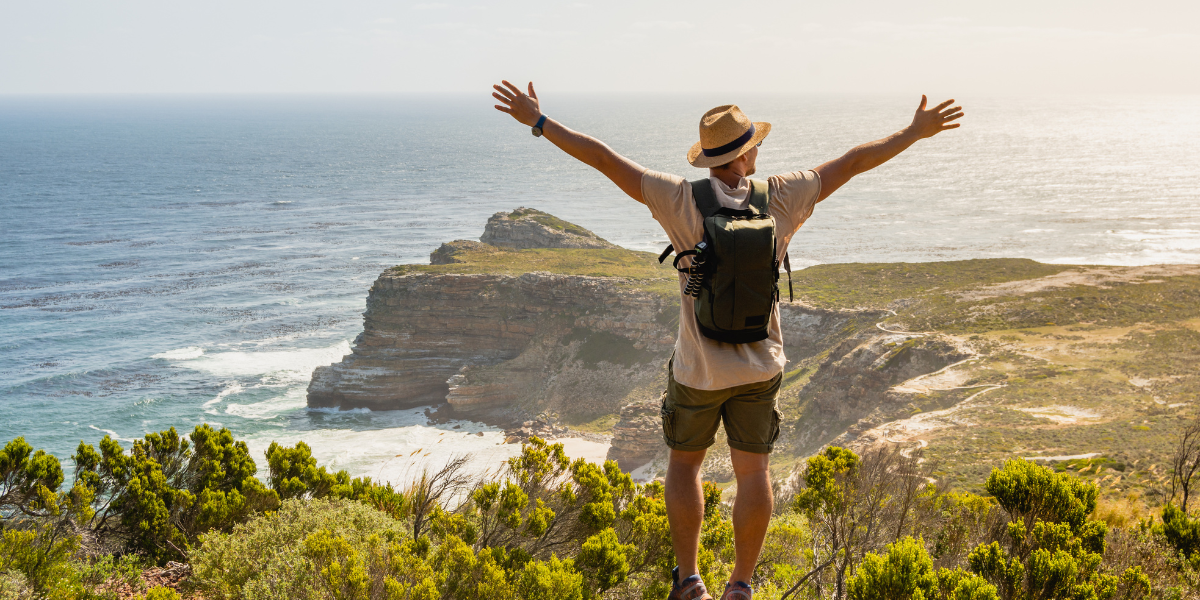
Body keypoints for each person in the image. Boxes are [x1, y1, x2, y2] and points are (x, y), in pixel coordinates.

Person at [492, 80, 963, 600]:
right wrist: (914, 133)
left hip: (699, 369)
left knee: (685, 464)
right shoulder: (784, 195)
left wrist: (539, 121)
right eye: (754, 143)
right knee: (753, 471)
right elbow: (852, 162)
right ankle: (740, 585)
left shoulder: (676, 197)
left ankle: (690, 581)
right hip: (761, 367)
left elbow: (604, 160)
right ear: (746, 154)